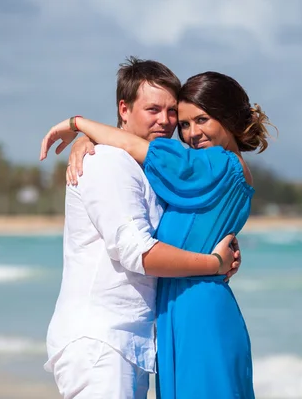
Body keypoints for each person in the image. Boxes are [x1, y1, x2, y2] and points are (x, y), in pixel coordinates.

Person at [40, 70, 276, 399]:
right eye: (186, 123)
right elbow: (143, 240)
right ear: (124, 109)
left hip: (194, 317)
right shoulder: (171, 176)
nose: (189, 132)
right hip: (124, 336)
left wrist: (80, 125)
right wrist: (90, 139)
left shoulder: (210, 166)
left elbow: (135, 147)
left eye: (201, 120)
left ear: (228, 118)